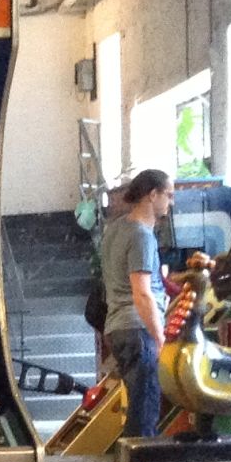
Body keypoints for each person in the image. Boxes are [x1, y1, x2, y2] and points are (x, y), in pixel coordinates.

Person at [99, 167, 175, 439]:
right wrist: (160, 336)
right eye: (168, 195)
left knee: (137, 406)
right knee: (145, 411)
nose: (171, 202)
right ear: (152, 195)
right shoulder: (141, 236)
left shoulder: (115, 229)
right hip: (138, 329)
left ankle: (131, 460)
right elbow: (142, 292)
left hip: (117, 328)